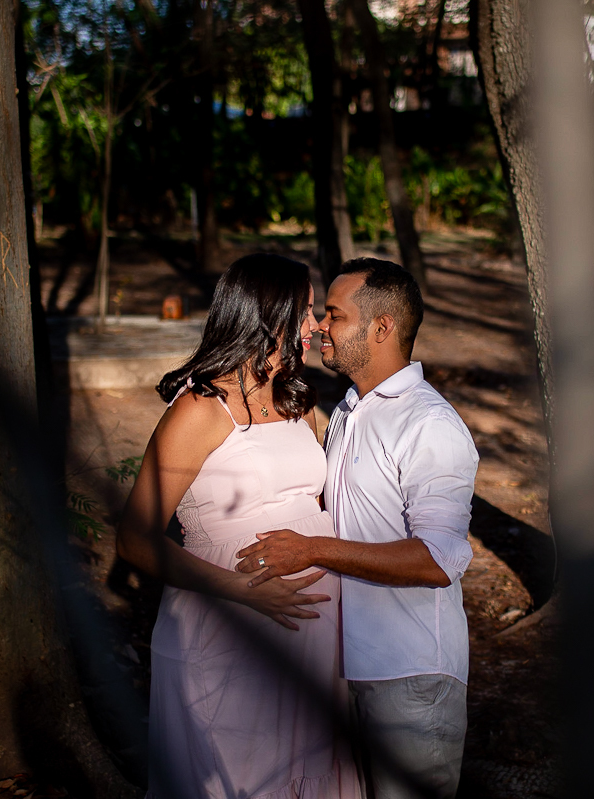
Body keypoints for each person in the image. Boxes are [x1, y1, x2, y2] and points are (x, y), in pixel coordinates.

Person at [116, 254, 361, 799]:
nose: (317, 324)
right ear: (270, 315)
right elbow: (134, 539)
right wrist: (244, 591)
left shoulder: (298, 401)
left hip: (316, 637)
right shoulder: (201, 410)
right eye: (307, 311)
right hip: (231, 627)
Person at [234, 258, 479, 799]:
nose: (320, 327)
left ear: (382, 328)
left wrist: (312, 549)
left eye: (334, 315)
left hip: (410, 674)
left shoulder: (429, 425)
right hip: (346, 663)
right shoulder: (349, 407)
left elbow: (438, 560)